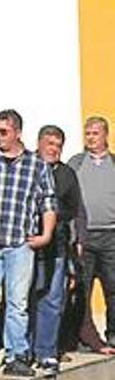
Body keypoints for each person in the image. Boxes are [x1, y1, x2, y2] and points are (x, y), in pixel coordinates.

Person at [0, 109, 57, 377]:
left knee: (18, 302)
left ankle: (17, 354)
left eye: (3, 131)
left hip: (19, 243)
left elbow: (48, 203)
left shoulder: (36, 165)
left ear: (17, 132)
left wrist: (46, 234)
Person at [31, 125, 86, 373]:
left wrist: (79, 242)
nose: (53, 149)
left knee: (53, 299)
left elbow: (76, 209)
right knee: (25, 298)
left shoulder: (66, 174)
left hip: (58, 245)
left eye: (58, 145)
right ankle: (23, 351)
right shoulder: (26, 166)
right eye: (49, 144)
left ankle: (46, 351)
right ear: (39, 143)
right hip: (28, 243)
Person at [67, 116, 115, 347]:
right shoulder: (76, 163)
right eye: (87, 133)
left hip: (111, 236)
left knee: (113, 287)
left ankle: (113, 333)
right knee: (82, 289)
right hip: (84, 238)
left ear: (106, 135)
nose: (91, 138)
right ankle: (84, 338)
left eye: (95, 133)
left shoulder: (114, 163)